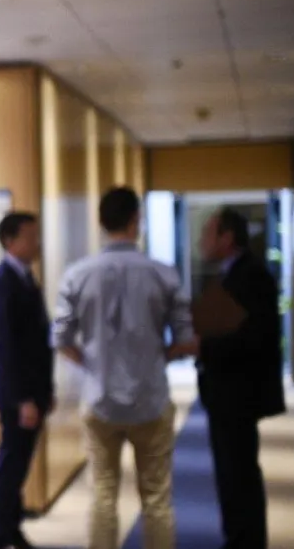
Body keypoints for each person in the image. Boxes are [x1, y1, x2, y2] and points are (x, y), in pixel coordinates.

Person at [51, 187, 197, 549]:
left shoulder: (77, 274)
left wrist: (91, 363)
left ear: (101, 222)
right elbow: (186, 340)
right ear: (136, 220)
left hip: (99, 399)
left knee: (102, 495)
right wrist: (159, 357)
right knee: (157, 499)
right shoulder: (163, 274)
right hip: (151, 398)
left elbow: (61, 338)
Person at [196, 208, 286, 549]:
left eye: (208, 233)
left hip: (238, 394)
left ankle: (246, 541)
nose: (202, 241)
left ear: (227, 237)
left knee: (239, 475)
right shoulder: (230, 274)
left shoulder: (252, 276)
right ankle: (238, 538)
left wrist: (201, 346)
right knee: (230, 476)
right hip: (224, 393)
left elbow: (252, 339)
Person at [0, 211, 53, 549]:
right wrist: (23, 398)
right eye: (30, 237)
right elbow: (6, 347)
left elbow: (39, 340)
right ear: (9, 241)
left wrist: (46, 390)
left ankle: (12, 526)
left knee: (21, 461)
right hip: (15, 392)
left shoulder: (27, 279)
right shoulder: (0, 284)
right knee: (11, 461)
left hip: (33, 389)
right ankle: (0, 531)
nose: (36, 243)